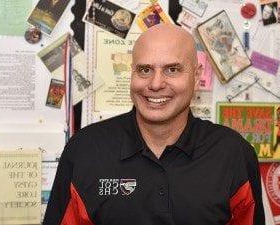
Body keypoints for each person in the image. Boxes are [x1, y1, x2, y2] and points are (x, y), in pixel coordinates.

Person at [43, 24, 265, 225]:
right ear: (132, 74)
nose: (156, 83)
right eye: (145, 70)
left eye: (172, 69)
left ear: (196, 77)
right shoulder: (85, 149)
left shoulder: (233, 153)